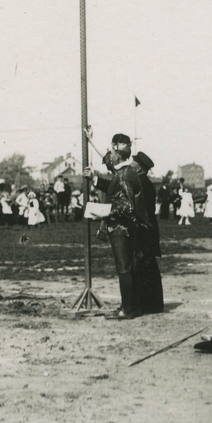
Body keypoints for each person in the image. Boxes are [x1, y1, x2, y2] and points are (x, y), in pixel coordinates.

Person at [90, 133, 149, 320]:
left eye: (112, 151)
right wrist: (92, 140)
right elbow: (107, 162)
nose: (109, 155)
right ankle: (130, 307)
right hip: (128, 228)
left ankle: (127, 309)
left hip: (122, 228)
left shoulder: (123, 175)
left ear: (117, 152)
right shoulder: (125, 171)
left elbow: (126, 207)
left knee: (124, 268)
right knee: (128, 268)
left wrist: (100, 212)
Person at [132, 151, 164, 315]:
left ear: (139, 168)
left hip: (144, 229)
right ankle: (153, 304)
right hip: (148, 228)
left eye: (133, 163)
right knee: (148, 266)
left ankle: (147, 305)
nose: (130, 165)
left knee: (144, 265)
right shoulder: (145, 183)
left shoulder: (141, 184)